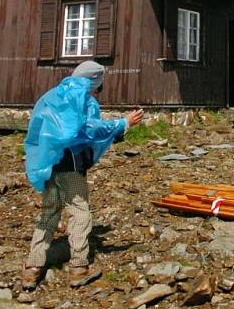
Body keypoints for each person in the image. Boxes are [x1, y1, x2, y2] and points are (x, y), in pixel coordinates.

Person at [21, 61, 144, 291]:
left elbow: (36, 131)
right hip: (71, 166)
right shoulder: (84, 100)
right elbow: (90, 130)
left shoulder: (50, 96)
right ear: (93, 83)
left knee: (48, 214)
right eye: (99, 86)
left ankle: (32, 268)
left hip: (48, 166)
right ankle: (78, 267)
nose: (98, 91)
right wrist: (122, 123)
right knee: (80, 213)